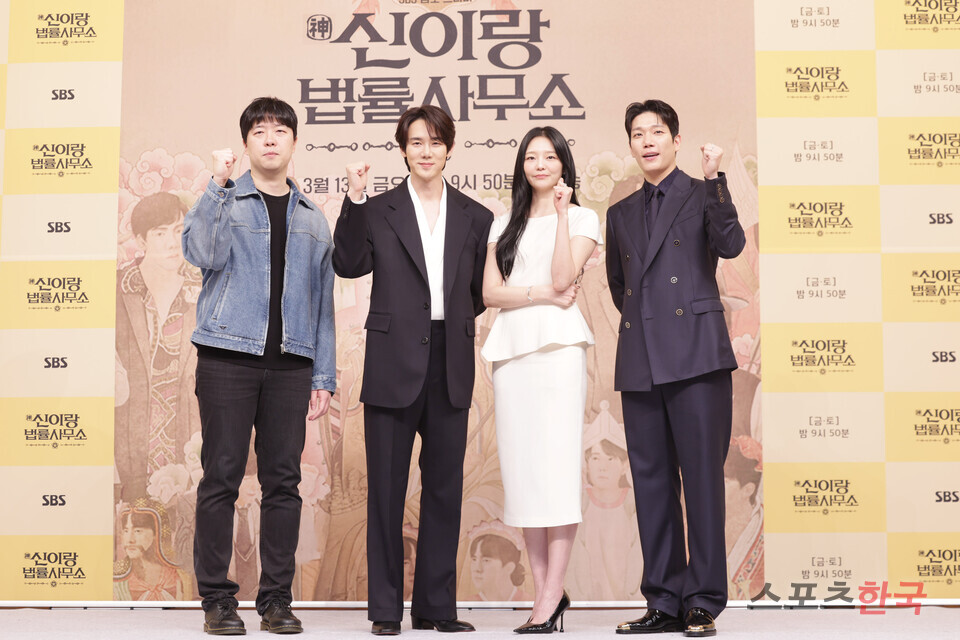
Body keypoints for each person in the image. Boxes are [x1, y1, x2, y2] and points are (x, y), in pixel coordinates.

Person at [333, 104, 493, 636]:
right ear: (403, 149)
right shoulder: (377, 209)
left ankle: (435, 608)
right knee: (386, 488)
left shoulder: (476, 214)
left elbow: (476, 294)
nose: (426, 151)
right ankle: (385, 611)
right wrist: (354, 198)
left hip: (451, 360)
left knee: (445, 489)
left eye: (435, 142)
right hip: (392, 360)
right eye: (416, 142)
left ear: (450, 148)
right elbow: (350, 263)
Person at [182, 96, 336, 636]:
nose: (270, 139)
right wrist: (217, 187)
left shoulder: (315, 220)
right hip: (227, 357)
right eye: (260, 131)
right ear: (246, 143)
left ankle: (275, 600)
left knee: (283, 484)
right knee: (221, 477)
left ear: (294, 142)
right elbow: (201, 251)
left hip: (291, 366)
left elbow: (323, 305)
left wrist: (323, 376)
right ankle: (217, 601)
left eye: (280, 130)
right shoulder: (226, 197)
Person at [605, 99, 745, 637]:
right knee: (652, 484)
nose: (647, 141)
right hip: (641, 359)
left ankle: (703, 601)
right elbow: (623, 291)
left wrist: (716, 181)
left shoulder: (699, 191)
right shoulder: (619, 213)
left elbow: (730, 245)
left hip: (698, 356)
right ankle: (663, 599)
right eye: (638, 133)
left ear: (676, 140)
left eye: (657, 131)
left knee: (702, 481)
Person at [480, 126, 601, 634]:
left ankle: (551, 596)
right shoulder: (503, 223)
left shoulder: (582, 217)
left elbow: (561, 278)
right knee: (525, 474)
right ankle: (544, 591)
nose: (540, 164)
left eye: (549, 157)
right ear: (521, 166)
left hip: (557, 352)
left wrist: (558, 213)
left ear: (563, 165)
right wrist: (542, 296)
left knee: (554, 470)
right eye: (531, 157)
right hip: (512, 354)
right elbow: (490, 293)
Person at [115, 192, 201, 503]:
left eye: (179, 231)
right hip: (129, 446)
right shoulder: (117, 290)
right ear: (141, 240)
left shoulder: (203, 288)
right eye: (160, 233)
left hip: (189, 442)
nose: (171, 243)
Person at [114, 502, 193, 600]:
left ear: (157, 533)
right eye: (126, 531)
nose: (130, 539)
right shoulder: (117, 576)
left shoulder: (179, 576)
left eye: (138, 531)